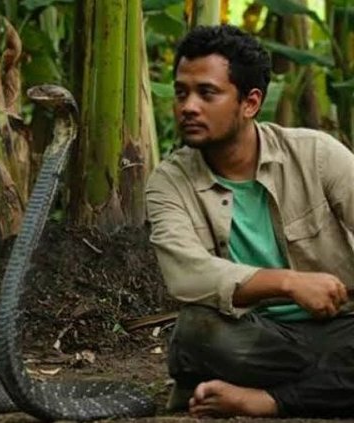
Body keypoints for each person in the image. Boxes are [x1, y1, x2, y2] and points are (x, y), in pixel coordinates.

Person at [146, 24, 354, 418]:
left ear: (250, 102)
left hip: (338, 327)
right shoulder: (168, 182)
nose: (188, 106)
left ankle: (263, 399)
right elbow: (188, 275)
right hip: (251, 336)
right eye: (181, 92)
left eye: (207, 93)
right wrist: (290, 283)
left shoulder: (318, 155)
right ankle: (331, 382)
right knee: (196, 331)